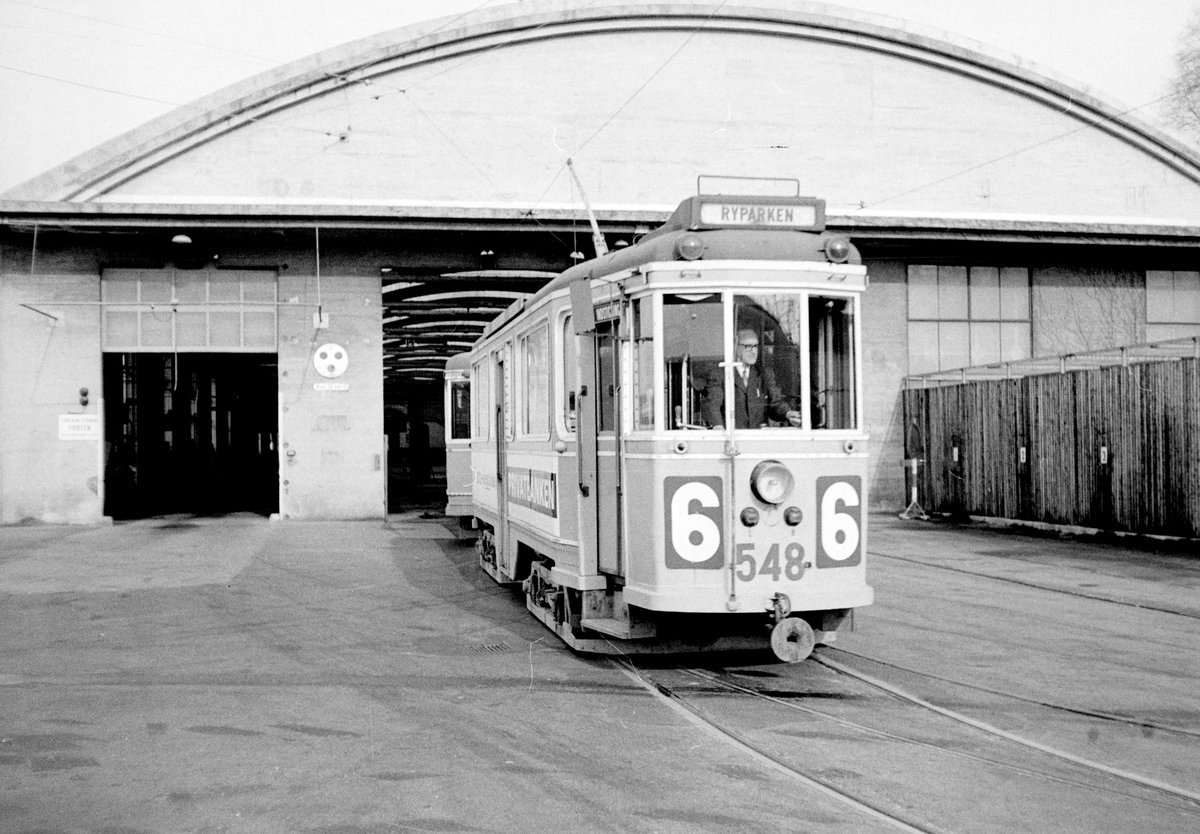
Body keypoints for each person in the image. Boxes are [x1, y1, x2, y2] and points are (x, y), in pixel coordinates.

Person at [702, 328, 802, 429]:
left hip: (756, 440)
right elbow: (712, 405)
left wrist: (788, 413)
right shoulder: (720, 374)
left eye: (755, 346)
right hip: (731, 439)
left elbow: (775, 404)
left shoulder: (765, 374)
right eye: (748, 346)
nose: (753, 351)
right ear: (735, 348)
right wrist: (718, 426)